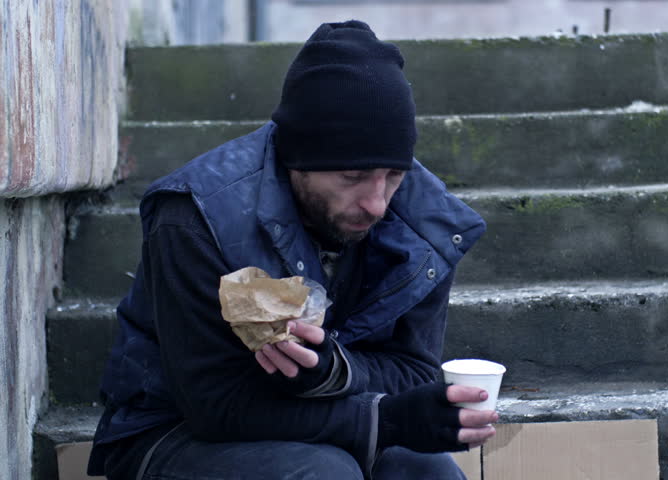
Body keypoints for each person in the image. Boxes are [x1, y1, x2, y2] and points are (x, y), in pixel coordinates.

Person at [87, 19, 494, 480]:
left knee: (428, 473)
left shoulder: (425, 222)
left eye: (393, 176)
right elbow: (213, 404)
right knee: (324, 473)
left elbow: (415, 372)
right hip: (172, 428)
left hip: (334, 412)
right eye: (352, 178)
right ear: (297, 161)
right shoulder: (194, 217)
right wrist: (386, 417)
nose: (378, 203)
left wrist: (336, 373)